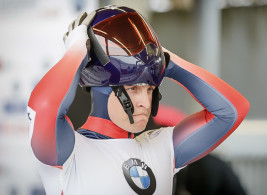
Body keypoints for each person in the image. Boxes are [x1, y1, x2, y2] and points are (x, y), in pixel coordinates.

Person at [27, 5, 250, 195]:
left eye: (150, 89)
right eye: (133, 88)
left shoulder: (163, 147)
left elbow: (232, 110)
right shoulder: (68, 152)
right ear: (101, 88)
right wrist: (77, 51)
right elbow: (44, 108)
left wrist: (168, 62)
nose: (145, 101)